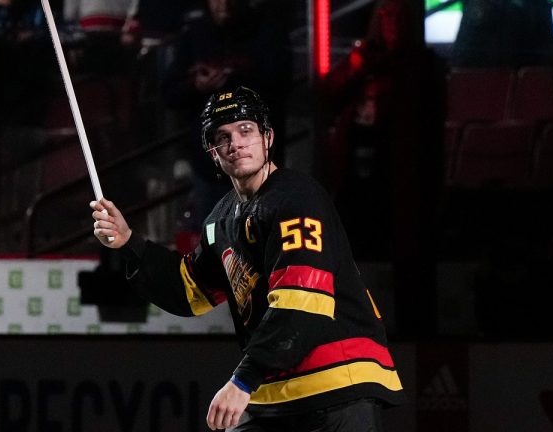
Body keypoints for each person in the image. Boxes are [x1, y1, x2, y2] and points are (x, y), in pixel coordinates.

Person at [90, 86, 405, 431]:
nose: (235, 143)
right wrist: (129, 242)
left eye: (245, 130)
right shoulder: (220, 219)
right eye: (222, 137)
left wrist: (242, 381)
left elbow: (301, 303)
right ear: (212, 153)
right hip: (276, 388)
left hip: (337, 382)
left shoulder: (296, 197)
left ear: (267, 137)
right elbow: (187, 291)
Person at [160, 0, 292, 231]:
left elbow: (281, 81)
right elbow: (170, 93)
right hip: (210, 166)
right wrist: (197, 85)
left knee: (259, 240)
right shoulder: (194, 35)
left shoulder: (265, 32)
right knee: (214, 244)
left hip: (257, 165)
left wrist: (238, 74)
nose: (224, 4)